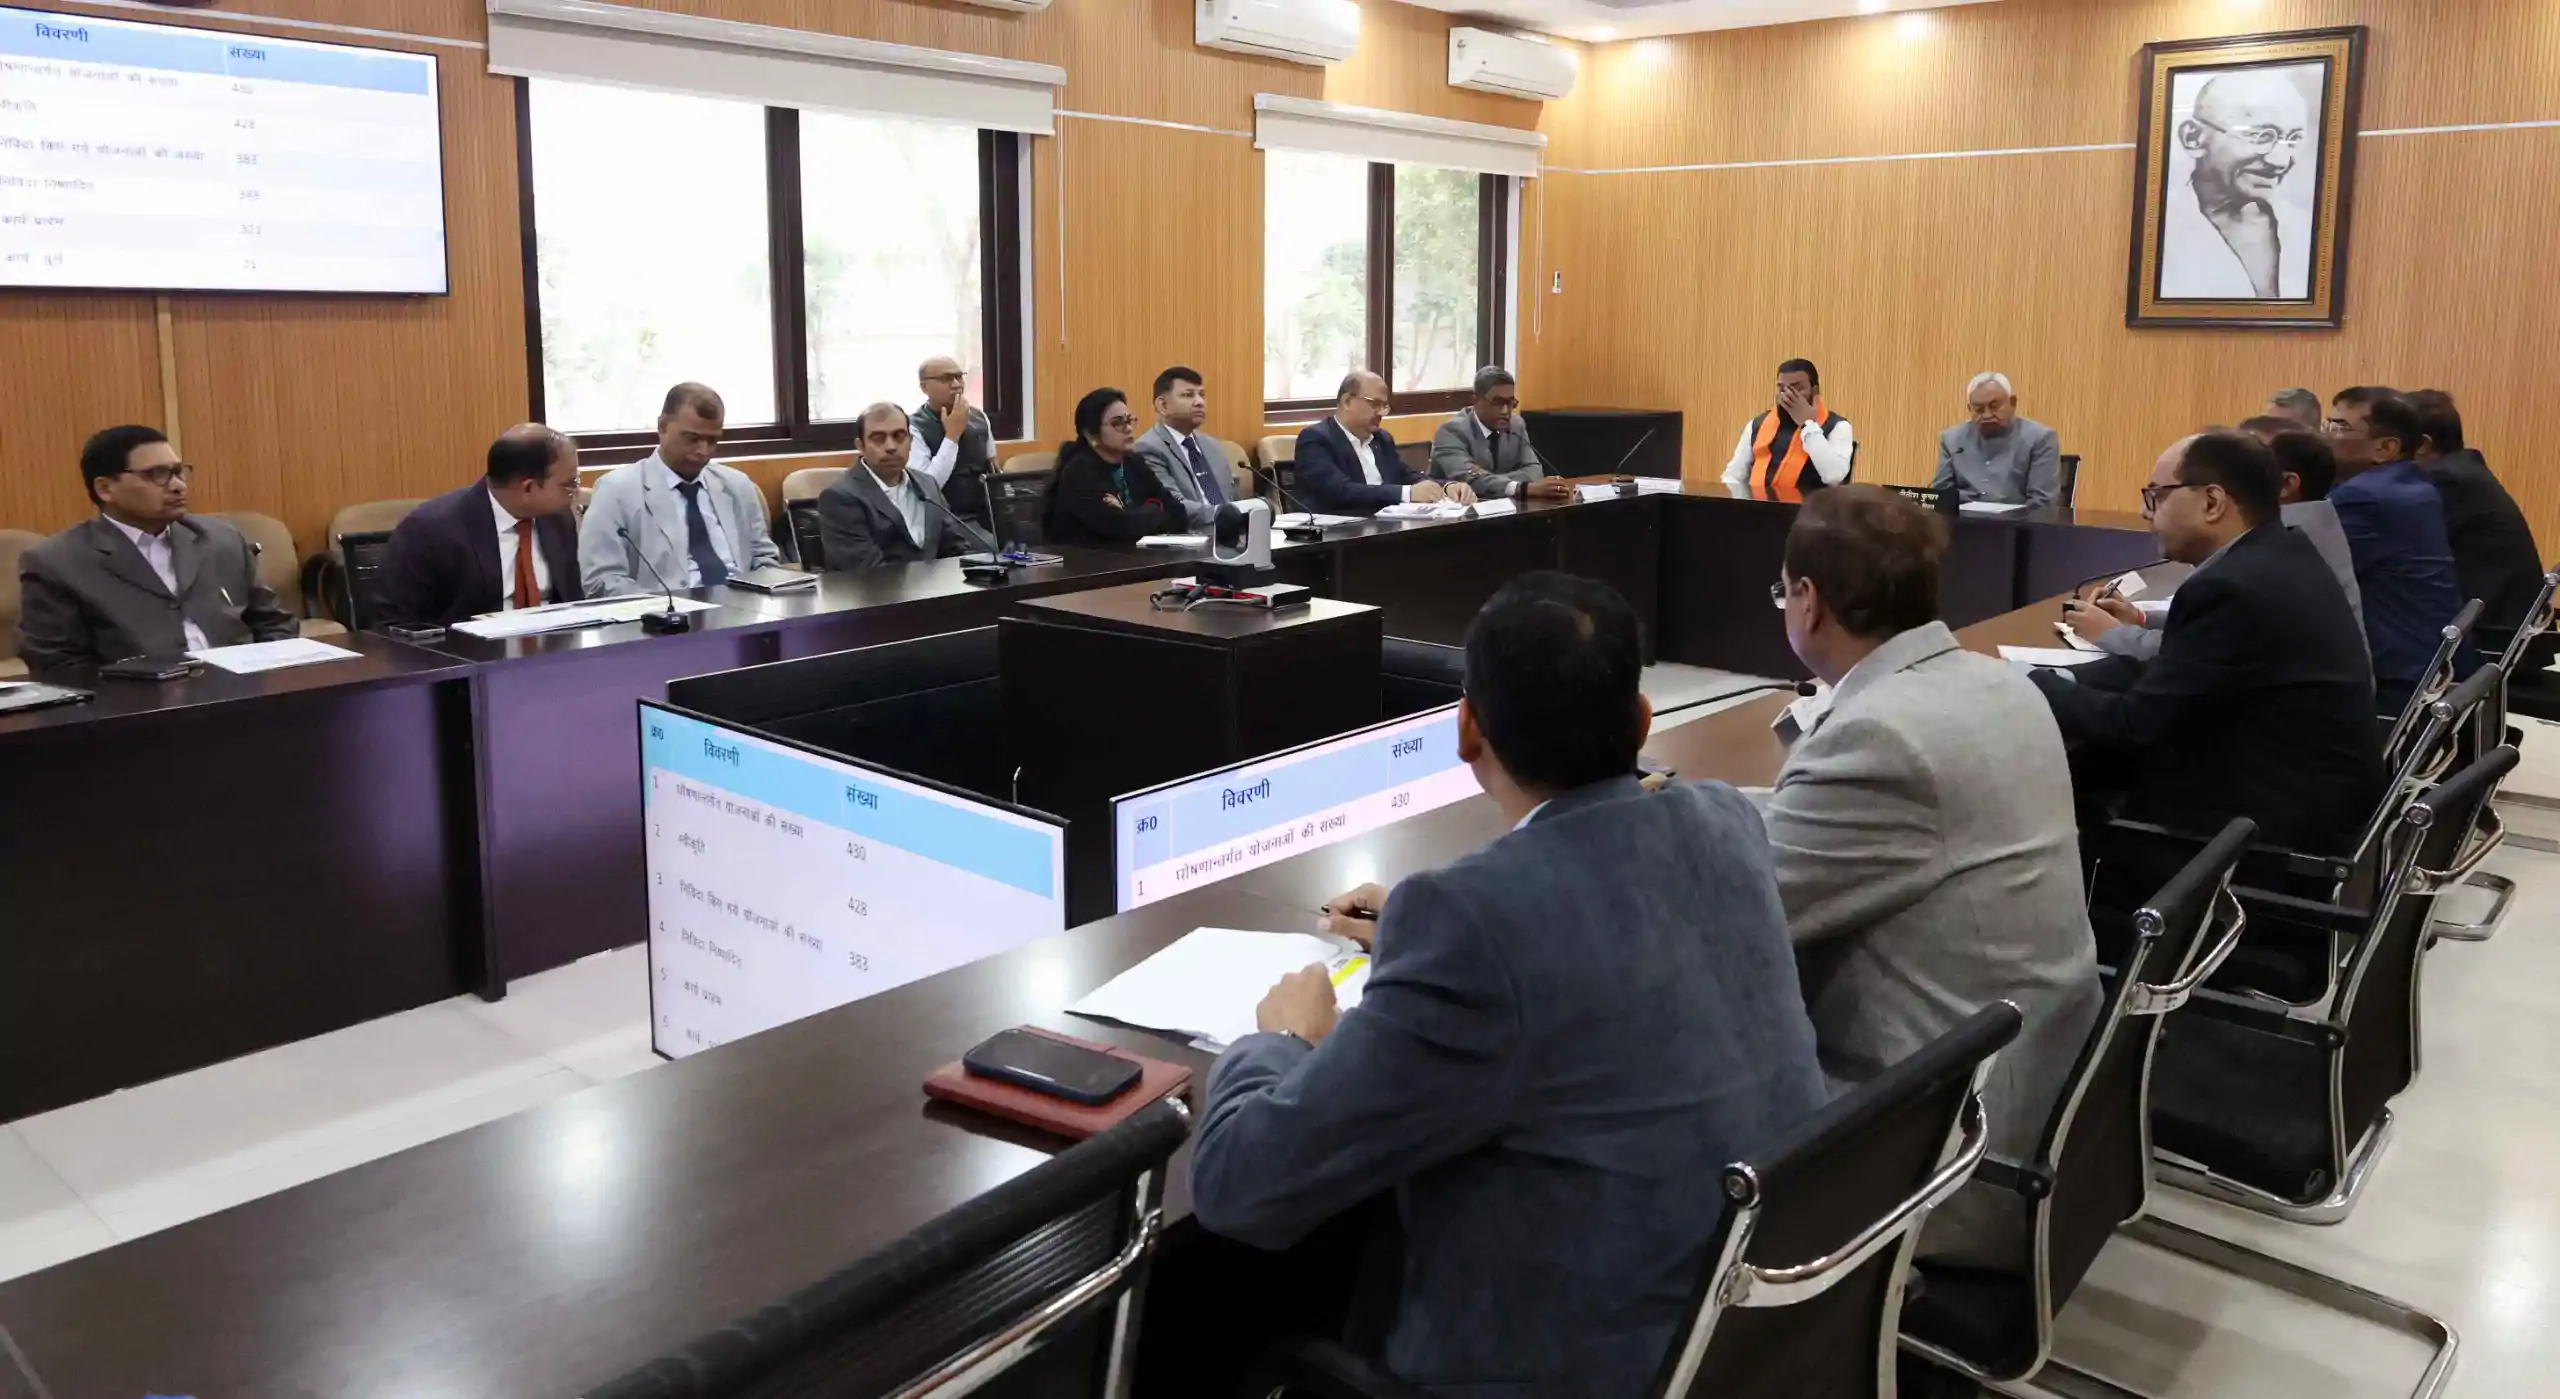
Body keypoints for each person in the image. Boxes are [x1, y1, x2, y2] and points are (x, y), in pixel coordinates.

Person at [1190, 572, 1826, 1399]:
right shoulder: (1728, 822)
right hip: (1752, 1339)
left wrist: (1280, 1039)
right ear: (1642, 720)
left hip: (1573, 1365)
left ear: (1466, 730)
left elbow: (1238, 1188)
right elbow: (1594, 928)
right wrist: (1422, 938)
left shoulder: (1471, 926)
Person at [1764, 485, 2098, 1271]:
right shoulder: (1998, 683)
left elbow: (1740, 916)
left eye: (1783, 592)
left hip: (1947, 1153)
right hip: (2042, 1105)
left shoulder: (1880, 736)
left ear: (1809, 599)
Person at [2029, 432, 2380, 856]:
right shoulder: (2282, 550)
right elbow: (2176, 669)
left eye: (2157, 496)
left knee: (2064, 791)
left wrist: (2033, 685)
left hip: (2262, 839)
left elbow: (2135, 727)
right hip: (2306, 799)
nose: (2145, 512)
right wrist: (2069, 676)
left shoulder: (2231, 587)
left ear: (2212, 503)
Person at [14, 425, 296, 671]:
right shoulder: (58, 563)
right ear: (105, 489)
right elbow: (59, 667)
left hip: (244, 694)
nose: (177, 486)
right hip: (140, 705)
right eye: (157, 474)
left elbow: (274, 624)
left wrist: (266, 678)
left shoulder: (221, 538)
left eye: (178, 472)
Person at [2082, 421, 2363, 661]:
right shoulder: (2291, 536)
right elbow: (2220, 629)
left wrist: (2112, 634)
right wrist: (2141, 619)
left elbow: (2189, 656)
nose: (2146, 512)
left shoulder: (2261, 564)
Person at [2326, 387, 2473, 713]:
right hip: (2427, 665)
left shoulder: (2364, 498)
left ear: (2385, 447)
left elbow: (2307, 580)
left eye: (2340, 427)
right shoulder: (2410, 484)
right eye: (2328, 424)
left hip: (2393, 678)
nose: (2325, 436)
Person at [579, 383, 782, 598]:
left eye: (712, 440)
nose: (703, 451)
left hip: (744, 605)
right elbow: (602, 580)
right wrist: (663, 607)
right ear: (662, 426)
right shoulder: (616, 491)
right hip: (663, 612)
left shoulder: (738, 485)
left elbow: (764, 558)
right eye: (692, 439)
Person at [376, 425, 585, 630]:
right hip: (467, 648)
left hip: (554, 645)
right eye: (569, 485)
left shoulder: (557, 519)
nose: (575, 493)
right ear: (528, 488)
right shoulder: (430, 530)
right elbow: (395, 625)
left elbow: (573, 602)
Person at [2408, 389, 2546, 658]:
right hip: (2509, 632)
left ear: (2422, 444)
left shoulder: (2445, 479)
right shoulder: (2461, 471)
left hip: (2489, 640)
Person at [2160, 70, 2313, 300]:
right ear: (2194, 138)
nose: (2279, 161)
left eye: (2293, 139)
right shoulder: (2157, 230)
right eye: (2260, 136)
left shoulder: (2307, 230)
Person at [816, 403, 989, 570]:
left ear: (910, 441)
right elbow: (866, 571)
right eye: (878, 439)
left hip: (936, 586)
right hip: (881, 589)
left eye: (899, 436)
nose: (891, 447)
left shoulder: (927, 484)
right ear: (860, 446)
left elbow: (956, 548)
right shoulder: (840, 498)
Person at [1290, 370, 1461, 515]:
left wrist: (1446, 487)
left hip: (1386, 527)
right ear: (1347, 401)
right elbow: (1341, 491)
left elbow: (1404, 476)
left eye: (1385, 406)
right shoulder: (1316, 439)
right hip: (1339, 532)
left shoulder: (1382, 439)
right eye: (1375, 404)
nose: (1381, 413)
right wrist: (1407, 493)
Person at [1043, 387, 1186, 546]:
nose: (1129, 428)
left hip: (1136, 556)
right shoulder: (1079, 471)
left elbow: (1178, 512)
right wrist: (1155, 508)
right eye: (1118, 423)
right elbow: (1119, 529)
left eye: (1129, 420)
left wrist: (1135, 512)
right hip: (1088, 559)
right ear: (1090, 433)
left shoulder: (1134, 462)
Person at [1429, 366, 1571, 501]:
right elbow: (1471, 480)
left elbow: (1534, 471)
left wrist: (1493, 482)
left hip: (1507, 508)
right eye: (1497, 402)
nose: (1505, 411)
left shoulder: (1516, 425)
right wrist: (1520, 488)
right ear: (1475, 400)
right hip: (1457, 511)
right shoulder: (1451, 432)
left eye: (1510, 403)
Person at [1722, 358, 1853, 500]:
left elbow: (1834, 476)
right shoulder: (1757, 425)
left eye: (1797, 389)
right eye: (1782, 388)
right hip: (1757, 508)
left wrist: (1808, 424)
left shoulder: (1838, 427)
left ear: (1815, 391)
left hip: (1810, 511)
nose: (1788, 395)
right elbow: (1733, 476)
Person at [1932, 371, 2062, 508]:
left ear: (2012, 403)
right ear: (1970, 409)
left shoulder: (2040, 439)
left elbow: (2042, 502)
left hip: (2017, 520)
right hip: (1963, 519)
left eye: (1994, 407)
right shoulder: (1952, 440)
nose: (1987, 415)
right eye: (1979, 409)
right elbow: (1940, 495)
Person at [1131, 365, 1235, 529]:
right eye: (1188, 395)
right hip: (1190, 537)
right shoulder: (1148, 448)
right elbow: (1174, 506)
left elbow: (1232, 498)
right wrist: (1222, 514)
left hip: (1230, 533)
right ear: (1163, 405)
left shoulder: (1212, 446)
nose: (1200, 402)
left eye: (1201, 395)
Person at [913, 355, 997, 526]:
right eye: (946, 378)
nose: (957, 384)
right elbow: (928, 488)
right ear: (925, 387)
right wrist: (952, 436)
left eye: (959, 377)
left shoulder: (979, 417)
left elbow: (994, 470)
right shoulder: (912, 428)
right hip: (945, 520)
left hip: (986, 515)